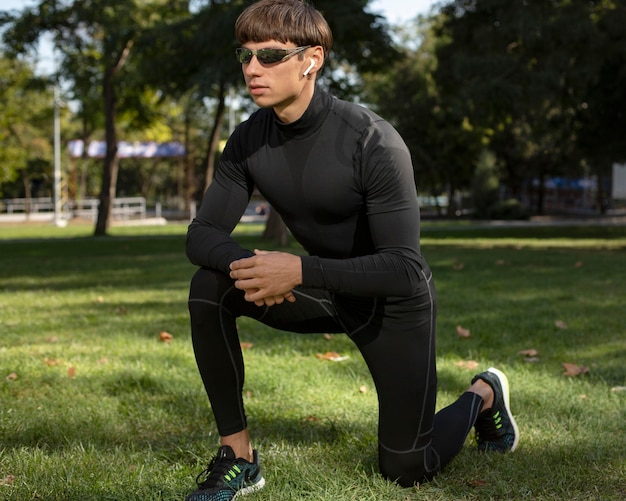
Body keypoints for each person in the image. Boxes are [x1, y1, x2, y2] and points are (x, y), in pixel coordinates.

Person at [184, 1, 519, 499]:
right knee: (211, 285)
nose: (252, 68)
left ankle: (483, 394)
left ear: (311, 59)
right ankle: (238, 456)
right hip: (322, 289)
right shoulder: (248, 139)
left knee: (407, 467)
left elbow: (405, 269)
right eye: (246, 55)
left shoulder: (372, 141)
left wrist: (298, 269)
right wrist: (255, 267)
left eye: (270, 55)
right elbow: (202, 234)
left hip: (393, 304)